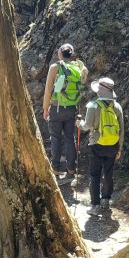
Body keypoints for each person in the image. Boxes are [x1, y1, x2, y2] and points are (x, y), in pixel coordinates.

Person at [77, 77, 124, 214]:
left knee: (94, 174)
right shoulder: (117, 107)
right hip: (113, 145)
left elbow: (87, 126)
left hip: (97, 144)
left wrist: (79, 124)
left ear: (100, 91)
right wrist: (119, 148)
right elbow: (121, 129)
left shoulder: (93, 105)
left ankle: (95, 205)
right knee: (108, 172)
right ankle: (106, 200)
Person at [42, 43, 86, 182]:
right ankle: (71, 169)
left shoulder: (55, 67)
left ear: (60, 53)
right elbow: (84, 80)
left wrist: (45, 108)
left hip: (57, 107)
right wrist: (79, 62)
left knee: (55, 138)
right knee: (69, 138)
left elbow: (48, 89)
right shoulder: (77, 67)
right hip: (72, 108)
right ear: (71, 54)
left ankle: (55, 169)